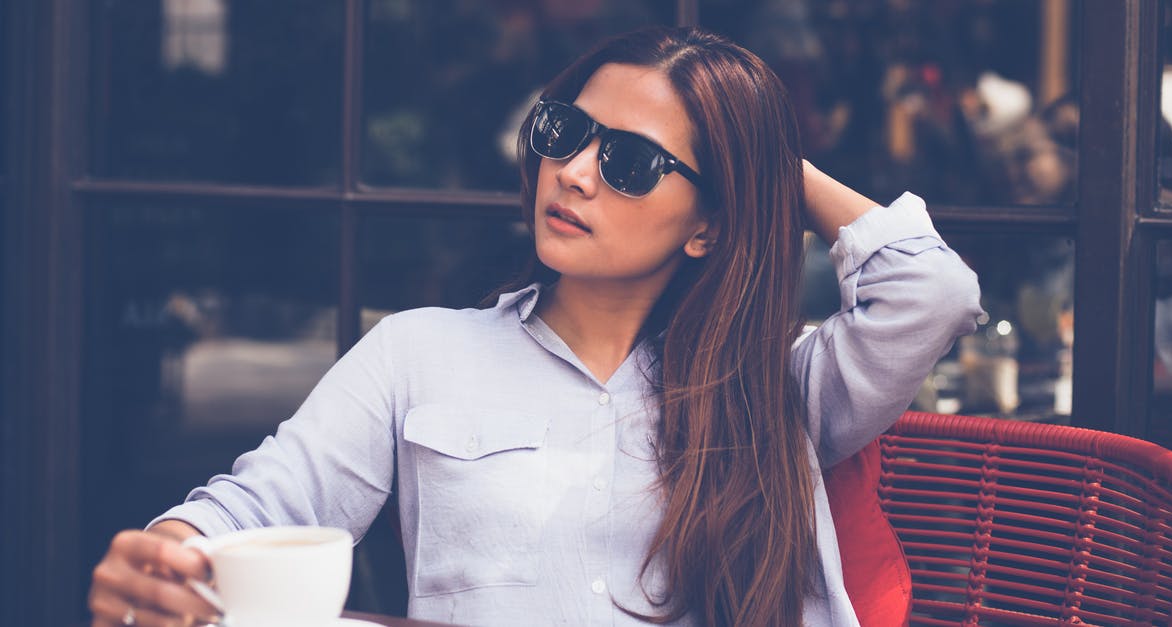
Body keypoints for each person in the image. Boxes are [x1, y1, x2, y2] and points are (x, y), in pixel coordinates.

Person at [88, 27, 982, 626]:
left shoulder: (776, 388)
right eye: (565, 130)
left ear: (709, 222)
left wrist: (764, 162)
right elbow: (261, 507)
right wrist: (169, 559)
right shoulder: (420, 351)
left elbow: (930, 292)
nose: (576, 171)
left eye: (630, 160)